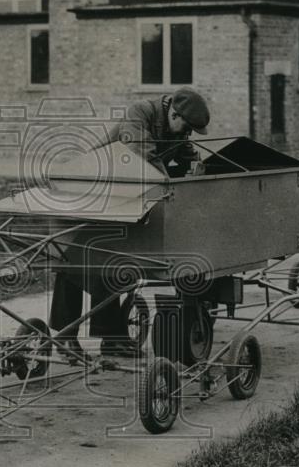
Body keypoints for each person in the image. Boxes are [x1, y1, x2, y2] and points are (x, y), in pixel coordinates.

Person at [50, 87, 211, 358]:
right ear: (174, 112)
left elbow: (183, 153)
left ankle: (112, 338)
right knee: (75, 262)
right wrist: (170, 185)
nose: (188, 132)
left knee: (114, 261)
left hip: (124, 194)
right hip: (93, 189)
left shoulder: (176, 128)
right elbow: (142, 154)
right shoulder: (140, 113)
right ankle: (65, 337)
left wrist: (195, 165)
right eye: (187, 125)